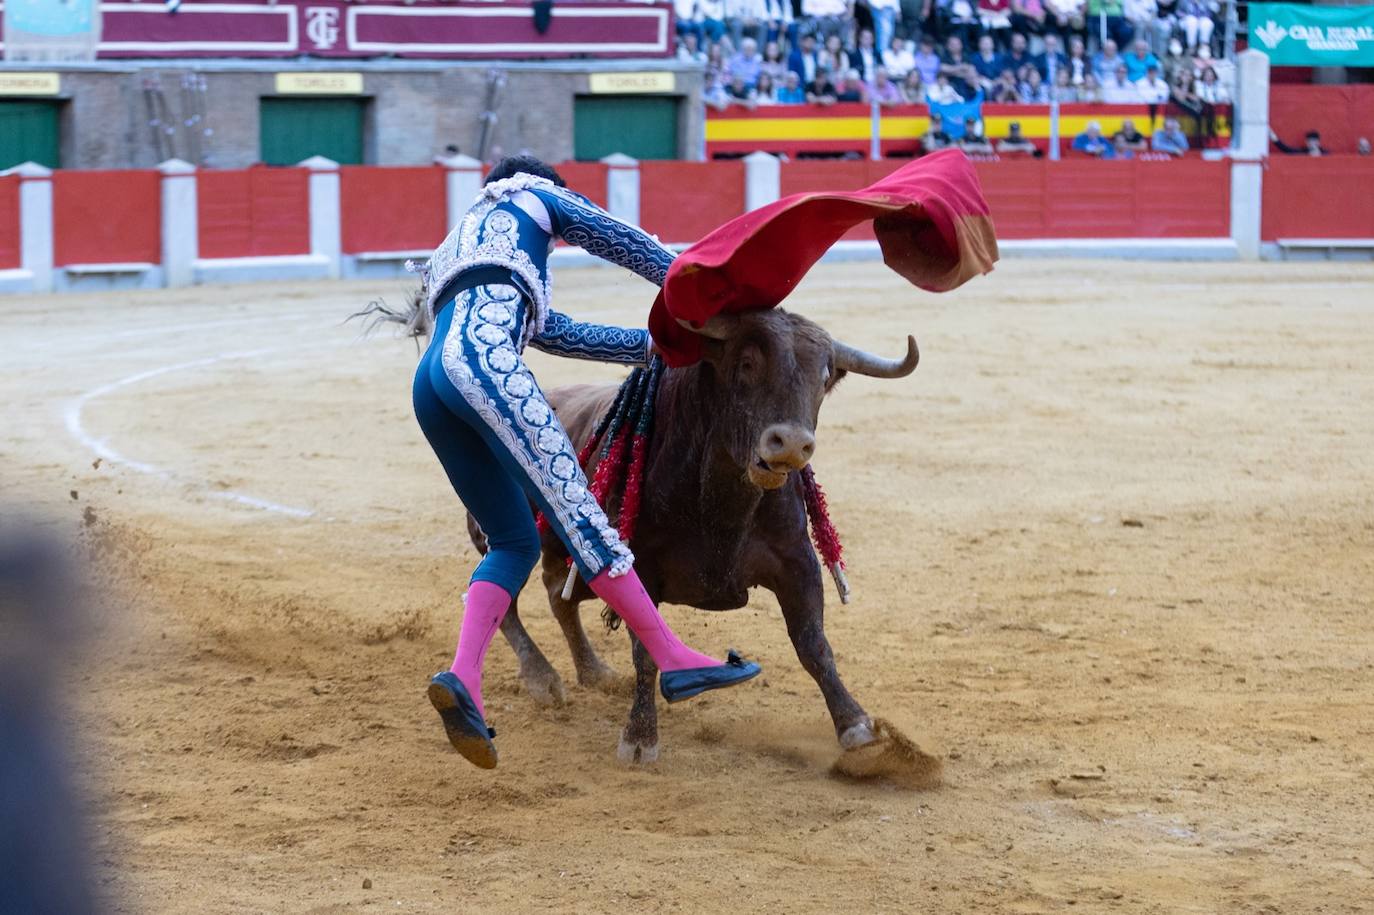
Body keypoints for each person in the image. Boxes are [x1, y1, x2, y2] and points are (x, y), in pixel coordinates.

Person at [408, 156, 763, 768]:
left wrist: (662, 350)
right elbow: (624, 242)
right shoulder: (536, 199)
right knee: (584, 520)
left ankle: (463, 678)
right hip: (488, 366)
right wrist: (705, 299)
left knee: (514, 543)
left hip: (431, 386)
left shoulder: (458, 247)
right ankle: (673, 658)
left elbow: (562, 335)